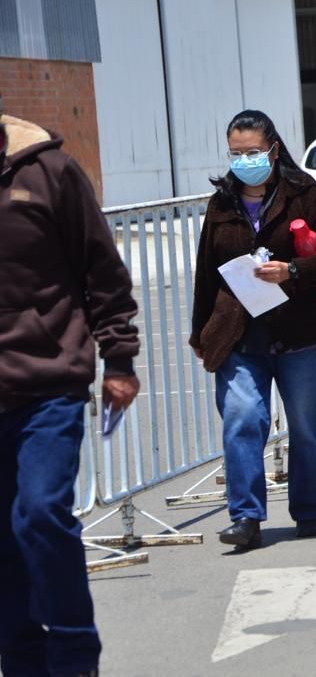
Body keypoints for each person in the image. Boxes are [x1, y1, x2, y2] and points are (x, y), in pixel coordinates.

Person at [0, 108, 140, 676]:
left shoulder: (49, 172)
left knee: (38, 514)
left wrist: (119, 360)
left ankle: (75, 653)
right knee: (3, 543)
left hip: (47, 382)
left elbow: (101, 271)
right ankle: (23, 662)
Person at [191, 110, 316, 549]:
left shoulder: (303, 192)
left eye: (253, 152)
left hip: (299, 331)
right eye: (237, 153)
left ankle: (307, 509)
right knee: (243, 417)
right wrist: (201, 334)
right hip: (240, 333)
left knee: (303, 423)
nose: (245, 160)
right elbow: (206, 273)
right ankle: (245, 517)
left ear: (273, 149)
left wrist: (293, 270)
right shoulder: (221, 203)